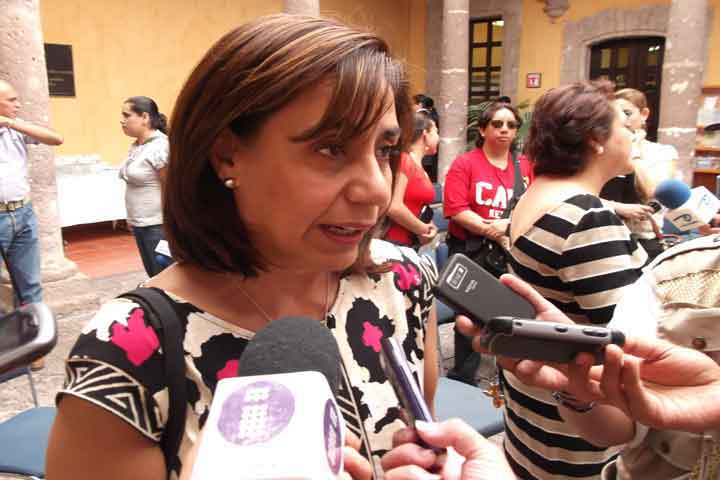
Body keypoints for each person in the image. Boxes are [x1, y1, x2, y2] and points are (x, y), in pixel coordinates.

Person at [46, 14, 439, 480]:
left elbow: (422, 441)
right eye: (332, 148)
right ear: (227, 155)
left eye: (384, 151)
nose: (375, 190)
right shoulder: (128, 350)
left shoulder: (403, 282)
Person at [502, 81, 647, 479]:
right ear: (596, 139)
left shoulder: (538, 193)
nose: (633, 135)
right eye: (625, 125)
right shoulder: (586, 218)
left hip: (538, 418)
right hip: (578, 434)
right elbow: (633, 343)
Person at [443, 101, 533, 383]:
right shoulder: (465, 163)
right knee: (468, 316)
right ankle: (464, 377)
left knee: (509, 314)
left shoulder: (525, 166)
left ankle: (507, 375)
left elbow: (534, 204)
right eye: (497, 124)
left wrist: (508, 228)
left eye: (511, 125)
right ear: (483, 130)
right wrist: (494, 231)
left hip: (509, 252)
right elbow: (457, 209)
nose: (504, 130)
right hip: (473, 251)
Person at [0, 79, 63, 370]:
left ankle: (34, 346)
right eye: (11, 100)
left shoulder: (17, 129)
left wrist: (11, 123)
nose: (18, 104)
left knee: (30, 284)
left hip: (22, 213)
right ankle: (7, 350)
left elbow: (55, 139)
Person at [600, 88, 681, 262]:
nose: (623, 120)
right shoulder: (602, 151)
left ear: (644, 114)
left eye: (627, 113)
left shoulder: (663, 152)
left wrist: (633, 150)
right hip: (607, 236)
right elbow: (585, 195)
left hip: (644, 239)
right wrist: (616, 207)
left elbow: (652, 191)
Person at [118, 96, 171, 277]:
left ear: (145, 117)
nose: (122, 120)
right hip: (141, 222)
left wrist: (170, 223)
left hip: (158, 224)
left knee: (164, 275)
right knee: (153, 273)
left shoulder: (160, 147)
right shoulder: (136, 146)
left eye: (127, 115)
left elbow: (169, 186)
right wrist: (132, 218)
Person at [385, 110, 439, 248]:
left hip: (408, 242)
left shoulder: (418, 167)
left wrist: (428, 227)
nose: (438, 138)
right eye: (436, 132)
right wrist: (422, 228)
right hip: (392, 241)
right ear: (425, 134)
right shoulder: (405, 160)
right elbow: (394, 206)